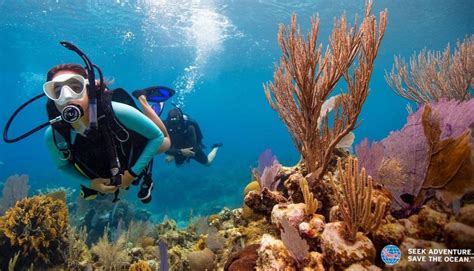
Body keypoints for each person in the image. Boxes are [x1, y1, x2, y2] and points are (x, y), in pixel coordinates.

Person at [44, 63, 171, 203]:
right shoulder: (54, 135)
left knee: (166, 142)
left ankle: (143, 100)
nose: (66, 97)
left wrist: (132, 174)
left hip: (132, 148)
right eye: (57, 91)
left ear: (89, 89)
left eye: (75, 87)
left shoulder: (118, 111)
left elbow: (157, 136)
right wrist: (90, 184)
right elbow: (62, 166)